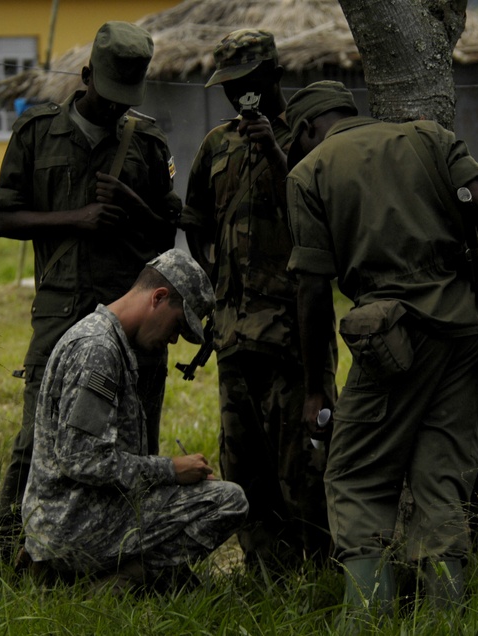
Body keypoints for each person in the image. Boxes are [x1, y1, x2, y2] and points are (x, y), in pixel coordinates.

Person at [283, 81, 478, 618]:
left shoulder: (308, 172)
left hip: (392, 339)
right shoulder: (429, 136)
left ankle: (367, 617)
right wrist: (473, 262)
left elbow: (312, 290)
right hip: (463, 331)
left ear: (303, 130)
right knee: (439, 475)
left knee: (354, 476)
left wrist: (316, 386)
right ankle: (444, 617)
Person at [0, 21, 181, 564]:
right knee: (36, 438)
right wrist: (77, 217)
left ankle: (127, 552)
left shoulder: (147, 143)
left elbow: (166, 234)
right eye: (108, 94)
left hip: (130, 321)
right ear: (87, 74)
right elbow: (1, 216)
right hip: (60, 313)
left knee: (134, 437)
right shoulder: (37, 133)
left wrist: (130, 205)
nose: (117, 108)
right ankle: (8, 548)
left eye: (126, 99)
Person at [179, 30, 336, 570]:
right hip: (233, 336)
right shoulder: (216, 144)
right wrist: (212, 268)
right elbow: (194, 219)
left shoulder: (309, 137)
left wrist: (273, 148)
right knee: (244, 467)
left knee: (304, 468)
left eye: (246, 85)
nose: (237, 97)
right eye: (228, 87)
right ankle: (264, 574)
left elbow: (315, 214)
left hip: (294, 338)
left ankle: (320, 572)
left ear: (272, 78)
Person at [21, 248, 248, 591]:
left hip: (70, 518)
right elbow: (81, 459)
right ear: (158, 297)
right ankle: (111, 584)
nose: (173, 339)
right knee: (228, 501)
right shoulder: (97, 349)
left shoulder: (106, 339)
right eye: (176, 325)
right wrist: (170, 470)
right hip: (72, 526)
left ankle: (127, 577)